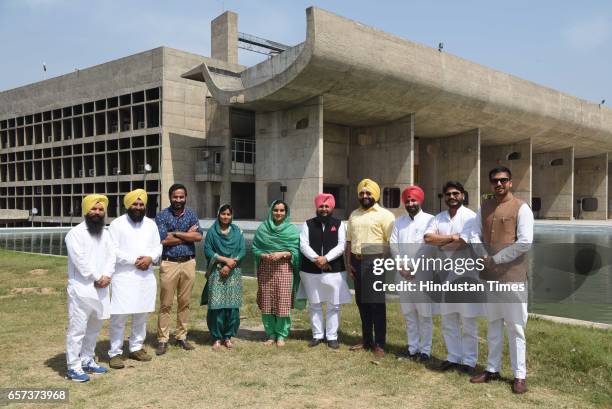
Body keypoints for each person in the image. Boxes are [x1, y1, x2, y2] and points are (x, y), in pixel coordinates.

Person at [462, 166, 533, 394]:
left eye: (503, 180)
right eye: (495, 181)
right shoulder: (484, 207)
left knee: (516, 327)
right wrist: (483, 255)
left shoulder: (522, 208)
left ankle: (519, 375)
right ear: (491, 184)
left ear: (510, 182)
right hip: (490, 277)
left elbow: (524, 242)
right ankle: (492, 369)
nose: (499, 184)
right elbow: (474, 234)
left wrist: (496, 259)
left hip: (513, 278)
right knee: (493, 324)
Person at [424, 181, 481, 372]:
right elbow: (427, 239)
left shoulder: (471, 217)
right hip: (444, 274)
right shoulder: (438, 218)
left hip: (467, 274)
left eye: (456, 193)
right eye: (448, 194)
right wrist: (451, 238)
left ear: (463, 195)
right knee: (448, 319)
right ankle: (453, 357)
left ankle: (469, 361)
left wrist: (441, 243)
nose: (452, 197)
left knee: (468, 320)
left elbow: (463, 244)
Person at [107, 189, 162, 369]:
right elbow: (112, 250)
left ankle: (136, 347)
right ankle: (115, 352)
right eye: (135, 204)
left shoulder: (151, 225)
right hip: (123, 276)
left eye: (141, 205)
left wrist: (150, 258)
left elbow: (158, 247)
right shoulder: (117, 224)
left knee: (141, 314)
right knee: (119, 316)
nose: (138, 207)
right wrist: (134, 260)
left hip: (145, 277)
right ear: (128, 205)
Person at [64, 194, 115, 382]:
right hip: (81, 289)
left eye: (100, 209)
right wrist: (96, 277)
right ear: (86, 210)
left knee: (94, 328)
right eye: (93, 209)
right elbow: (80, 261)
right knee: (77, 330)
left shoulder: (106, 233)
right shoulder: (75, 234)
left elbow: (112, 256)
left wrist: (107, 275)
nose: (97, 212)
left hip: (102, 289)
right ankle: (73, 367)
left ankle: (87, 360)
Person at [346, 178, 395, 359]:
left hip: (375, 263)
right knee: (361, 302)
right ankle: (367, 339)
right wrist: (348, 263)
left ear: (375, 194)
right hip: (357, 262)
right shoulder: (354, 215)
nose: (365, 196)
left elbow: (391, 243)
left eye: (368, 193)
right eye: (362, 193)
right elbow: (349, 242)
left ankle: (380, 343)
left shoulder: (385, 215)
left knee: (376, 304)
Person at [299, 193, 352, 349]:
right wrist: (317, 259)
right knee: (314, 303)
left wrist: (326, 259)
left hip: (334, 270)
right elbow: (303, 245)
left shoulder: (340, 224)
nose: (323, 209)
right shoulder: (308, 224)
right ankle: (317, 335)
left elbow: (342, 245)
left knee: (333, 304)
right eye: (321, 206)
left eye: (326, 206)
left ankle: (332, 336)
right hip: (310, 269)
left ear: (332, 207)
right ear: (317, 207)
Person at [155, 183, 203, 355]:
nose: (178, 200)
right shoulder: (162, 215)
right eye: (175, 197)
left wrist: (175, 233)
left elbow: (198, 236)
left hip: (188, 263)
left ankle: (181, 336)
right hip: (169, 263)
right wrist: (186, 234)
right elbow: (163, 240)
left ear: (185, 197)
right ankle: (162, 339)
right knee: (166, 303)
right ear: (170, 197)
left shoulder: (191, 214)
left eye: (181, 197)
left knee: (184, 303)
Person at [390, 185, 435, 362]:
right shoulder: (399, 222)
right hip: (402, 274)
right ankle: (412, 348)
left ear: (420, 200)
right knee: (409, 313)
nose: (410, 203)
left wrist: (415, 268)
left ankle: (425, 351)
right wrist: (401, 266)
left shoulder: (430, 220)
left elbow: (429, 247)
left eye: (413, 200)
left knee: (424, 314)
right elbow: (393, 245)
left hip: (422, 275)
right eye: (407, 200)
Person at [252, 200, 301, 347]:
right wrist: (263, 255)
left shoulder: (292, 230)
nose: (278, 213)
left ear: (286, 213)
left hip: (285, 269)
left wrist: (283, 254)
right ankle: (271, 334)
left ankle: (281, 335)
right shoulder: (262, 229)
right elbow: (255, 248)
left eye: (281, 210)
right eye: (276, 210)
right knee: (267, 302)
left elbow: (297, 251)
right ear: (271, 211)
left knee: (283, 302)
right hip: (266, 268)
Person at [201, 204, 246, 350]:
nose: (225, 216)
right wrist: (224, 260)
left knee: (232, 307)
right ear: (218, 214)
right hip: (216, 271)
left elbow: (242, 250)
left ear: (232, 216)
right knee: (216, 306)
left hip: (233, 272)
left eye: (228, 214)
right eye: (223, 214)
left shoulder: (237, 231)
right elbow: (208, 250)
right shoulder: (212, 232)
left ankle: (227, 337)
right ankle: (216, 337)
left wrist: (230, 264)